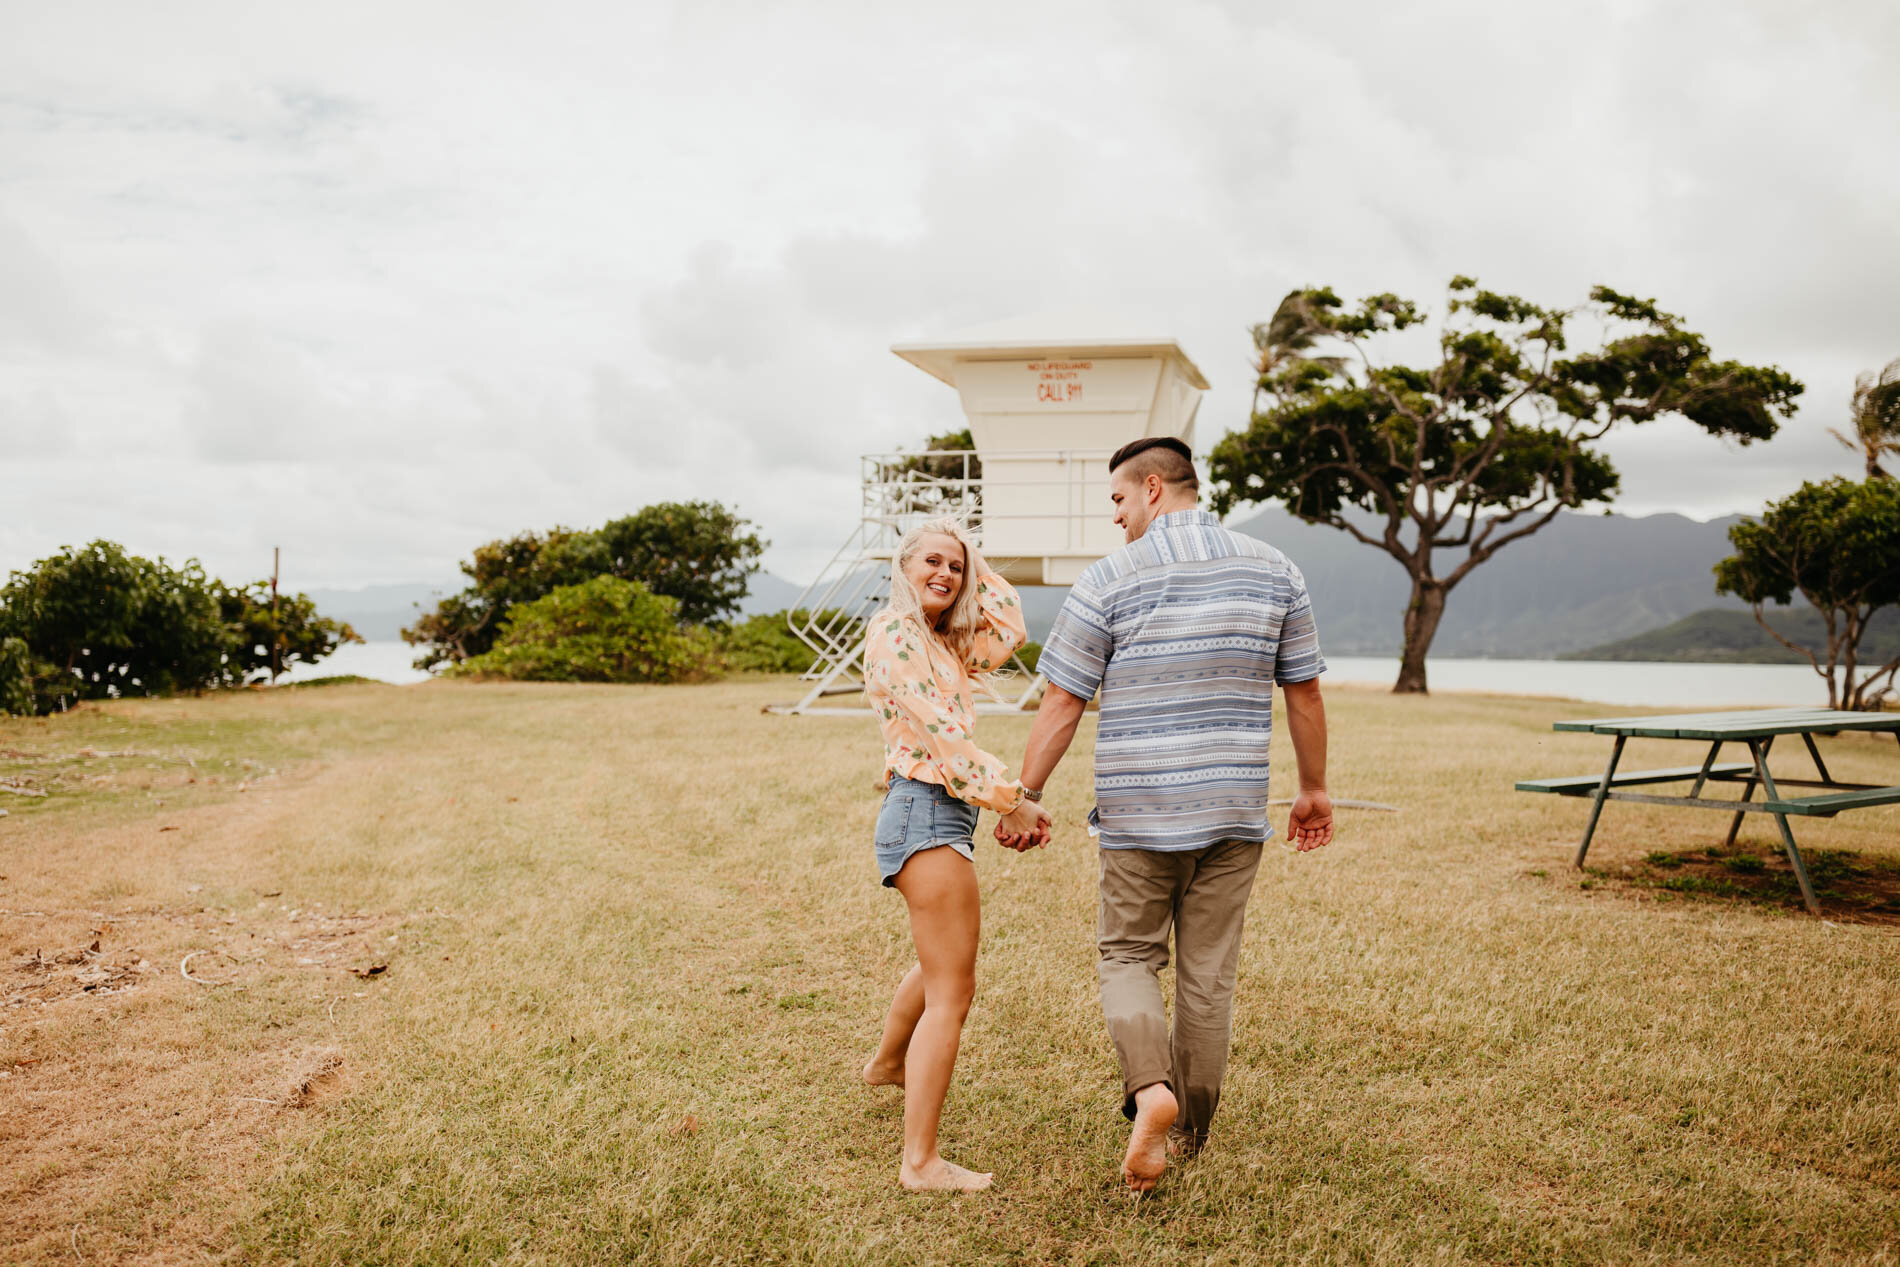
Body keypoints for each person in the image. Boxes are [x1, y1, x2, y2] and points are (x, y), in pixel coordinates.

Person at [1000, 436, 1333, 1193]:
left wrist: (1025, 793)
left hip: (1138, 812)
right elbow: (1304, 691)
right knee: (1208, 975)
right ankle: (1189, 1134)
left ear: (1153, 488)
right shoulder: (1276, 568)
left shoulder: (1110, 577)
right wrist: (1313, 788)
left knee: (1127, 957)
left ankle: (1152, 1089)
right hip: (1233, 808)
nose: (1115, 518)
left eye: (1117, 500)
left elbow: (1063, 699)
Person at [860, 516, 1052, 1192]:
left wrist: (976, 552)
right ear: (904, 566)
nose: (946, 574)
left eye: (956, 567)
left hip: (936, 808)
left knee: (942, 964)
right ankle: (920, 1163)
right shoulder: (895, 634)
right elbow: (946, 739)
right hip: (925, 805)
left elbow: (1009, 632)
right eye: (932, 562)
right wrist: (1013, 798)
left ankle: (887, 1063)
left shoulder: (943, 641)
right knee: (953, 990)